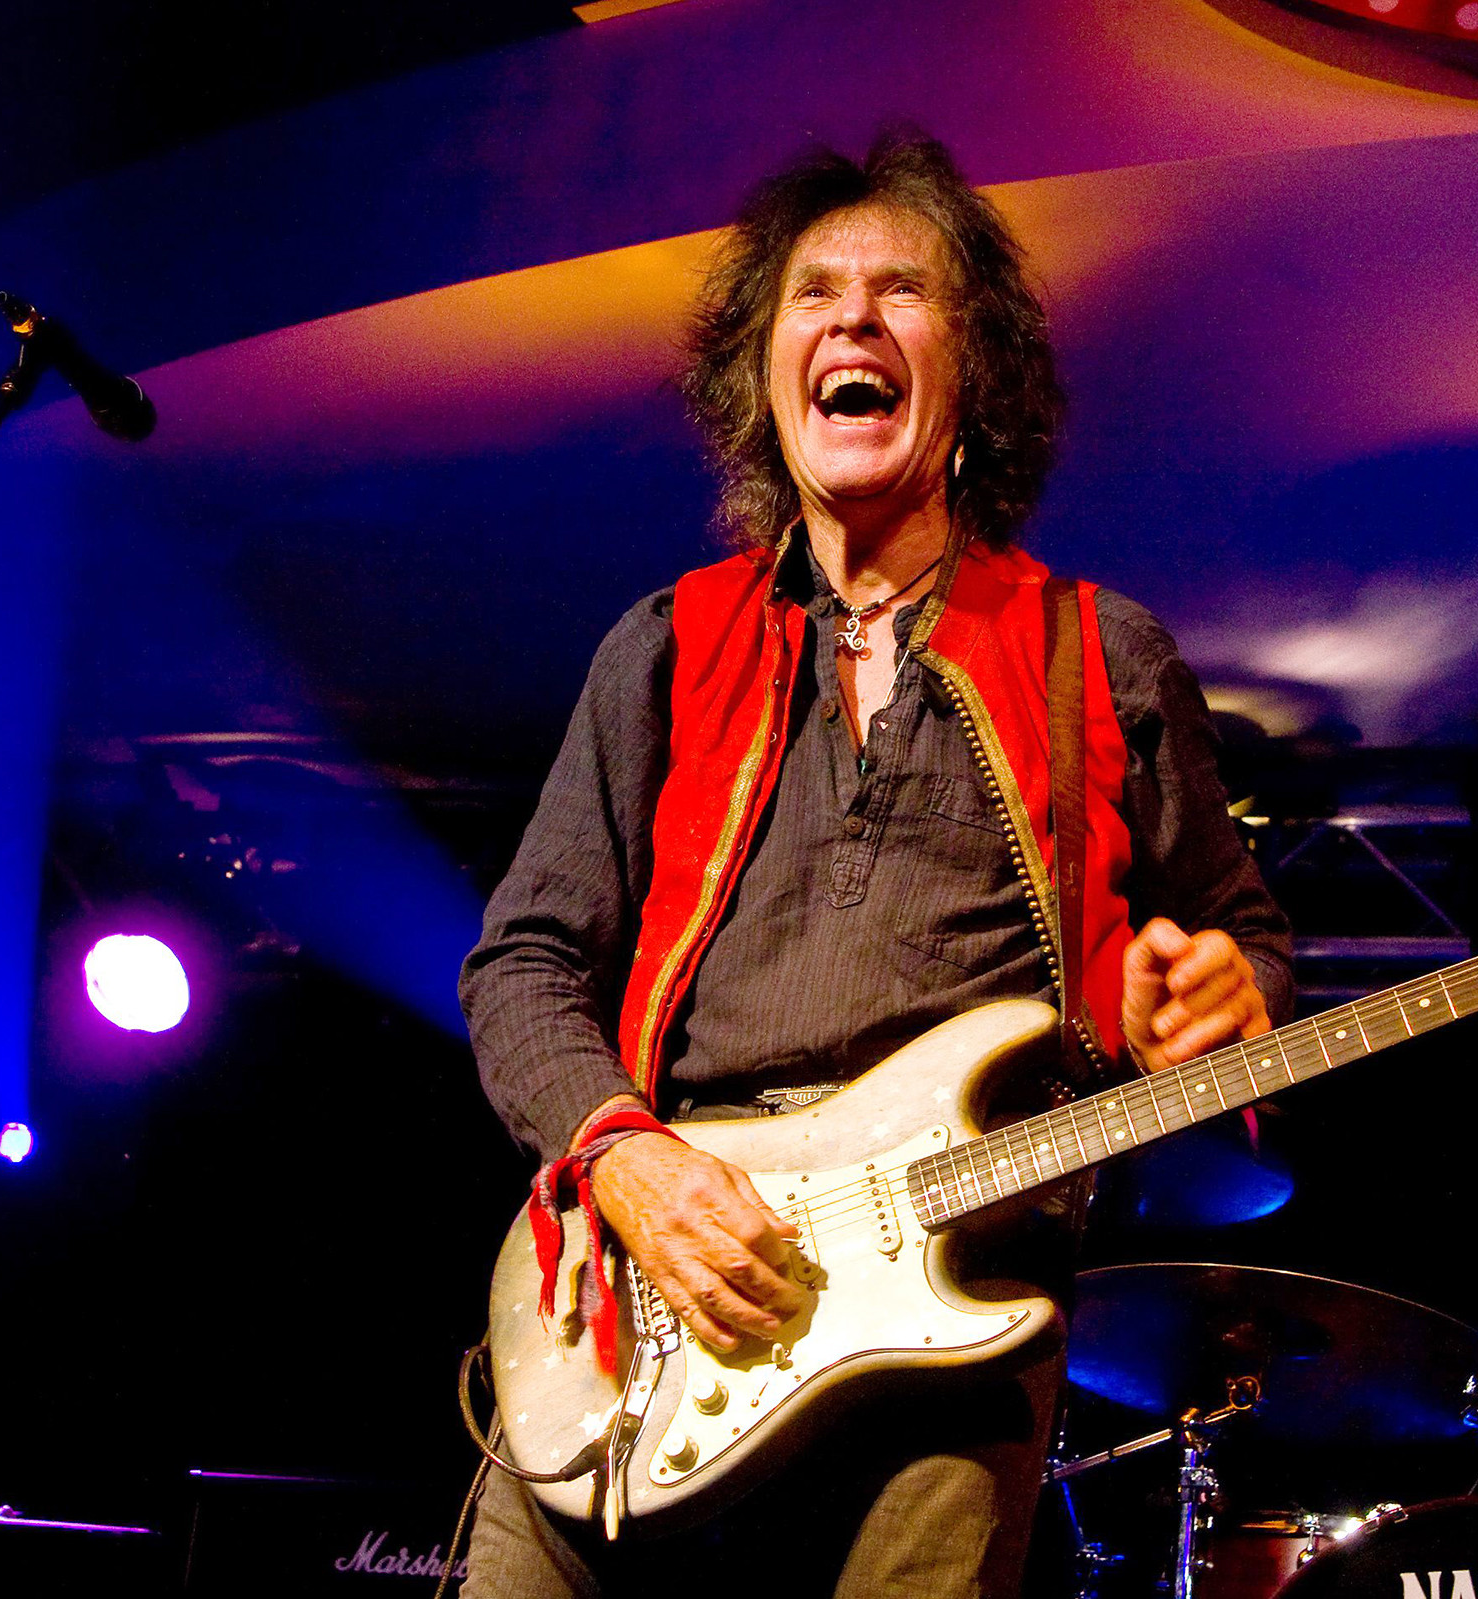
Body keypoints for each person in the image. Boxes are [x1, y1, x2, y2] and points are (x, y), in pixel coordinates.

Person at [454, 133, 1293, 1599]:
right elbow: (523, 963)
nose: (851, 319)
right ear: (764, 378)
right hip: (652, 1280)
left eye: (901, 291)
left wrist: (1219, 999)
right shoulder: (664, 645)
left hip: (954, 1311)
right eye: (813, 294)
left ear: (973, 374)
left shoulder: (1102, 651)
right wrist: (629, 1154)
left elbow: (1240, 940)